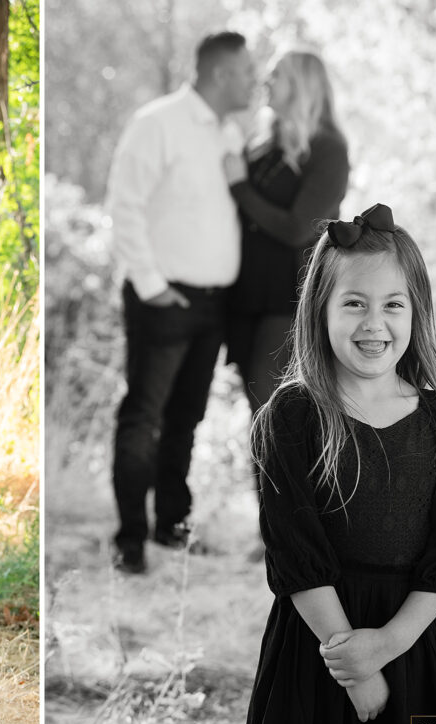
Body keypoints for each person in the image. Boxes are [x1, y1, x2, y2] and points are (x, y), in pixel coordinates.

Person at [240, 205, 436, 724]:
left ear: (416, 312)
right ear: (318, 311)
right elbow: (297, 554)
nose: (374, 324)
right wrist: (354, 668)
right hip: (321, 645)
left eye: (393, 305)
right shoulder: (292, 416)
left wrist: (387, 646)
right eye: (354, 304)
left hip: (419, 645)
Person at [106, 31, 256, 574]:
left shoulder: (231, 133)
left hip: (214, 304)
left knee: (186, 418)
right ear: (220, 74)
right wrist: (150, 285)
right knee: (143, 417)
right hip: (163, 298)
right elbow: (124, 205)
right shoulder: (158, 123)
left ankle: (173, 524)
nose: (253, 80)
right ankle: (130, 538)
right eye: (246, 71)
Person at [223, 48, 349, 415]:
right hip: (246, 292)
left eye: (277, 75)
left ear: (300, 86)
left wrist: (240, 187)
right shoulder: (263, 144)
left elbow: (299, 228)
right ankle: (264, 475)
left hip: (290, 295)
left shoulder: (329, 150)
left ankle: (294, 474)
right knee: (255, 402)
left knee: (271, 399)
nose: (266, 81)